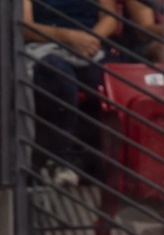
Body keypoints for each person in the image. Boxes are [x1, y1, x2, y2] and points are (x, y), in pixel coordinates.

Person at [22, 0, 122, 184]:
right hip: (45, 46)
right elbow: (25, 26)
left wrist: (89, 40)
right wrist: (67, 37)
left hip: (89, 47)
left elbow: (110, 17)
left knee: (112, 80)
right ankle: (58, 159)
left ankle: (103, 164)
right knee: (60, 77)